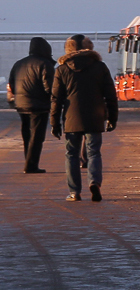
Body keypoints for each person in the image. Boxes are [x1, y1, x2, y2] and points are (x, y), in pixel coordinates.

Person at [49, 34, 117, 202]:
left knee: (71, 154)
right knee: (94, 152)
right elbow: (110, 95)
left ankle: (74, 192)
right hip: (95, 116)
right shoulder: (100, 67)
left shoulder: (62, 69)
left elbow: (56, 98)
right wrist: (112, 118)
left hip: (72, 118)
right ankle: (94, 182)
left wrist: (54, 123)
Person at [8, 37, 55, 173]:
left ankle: (29, 162)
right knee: (37, 136)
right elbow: (49, 87)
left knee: (26, 134)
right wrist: (53, 99)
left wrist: (19, 96)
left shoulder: (19, 63)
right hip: (38, 105)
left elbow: (12, 83)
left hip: (21, 104)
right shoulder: (45, 64)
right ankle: (31, 165)